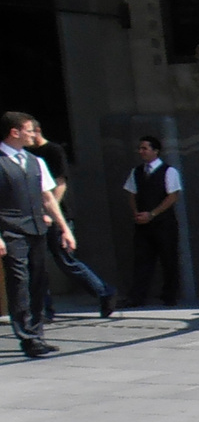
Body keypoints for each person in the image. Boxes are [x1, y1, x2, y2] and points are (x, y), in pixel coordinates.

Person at [0, 111, 73, 359]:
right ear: (15, 132)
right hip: (10, 230)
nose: (34, 134)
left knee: (38, 280)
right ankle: (28, 338)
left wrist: (64, 228)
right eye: (30, 130)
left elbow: (48, 198)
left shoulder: (35, 162)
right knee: (19, 282)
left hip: (37, 229)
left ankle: (37, 332)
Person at [28, 121, 116, 319]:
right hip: (35, 215)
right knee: (36, 263)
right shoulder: (26, 155)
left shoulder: (53, 151)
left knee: (65, 260)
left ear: (37, 131)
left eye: (30, 132)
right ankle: (44, 308)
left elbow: (60, 183)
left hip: (55, 214)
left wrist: (51, 212)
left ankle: (104, 291)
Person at [123, 135, 183, 307]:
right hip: (143, 225)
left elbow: (173, 196)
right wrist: (137, 213)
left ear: (155, 151)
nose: (141, 151)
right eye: (140, 148)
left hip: (163, 223)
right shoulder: (137, 172)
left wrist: (153, 214)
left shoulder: (169, 171)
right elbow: (131, 194)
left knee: (168, 259)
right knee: (142, 260)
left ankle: (170, 295)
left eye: (145, 148)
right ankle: (137, 296)